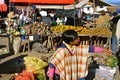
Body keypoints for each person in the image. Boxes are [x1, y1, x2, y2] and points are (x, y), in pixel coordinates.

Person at [47, 30, 111, 80]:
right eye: (76, 39)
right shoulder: (61, 51)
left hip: (73, 73)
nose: (79, 39)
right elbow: (52, 64)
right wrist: (51, 77)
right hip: (60, 75)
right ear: (70, 42)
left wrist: (105, 50)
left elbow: (90, 48)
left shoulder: (76, 47)